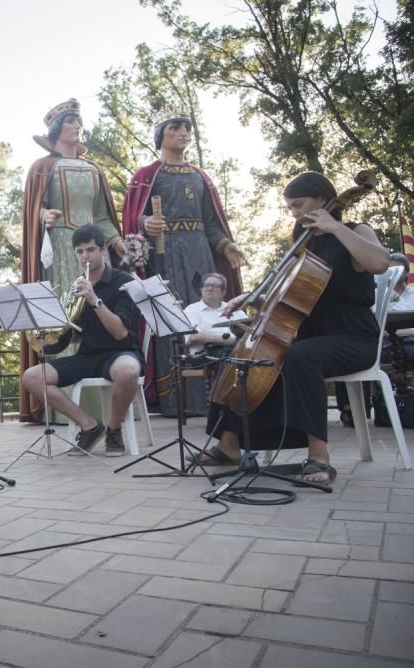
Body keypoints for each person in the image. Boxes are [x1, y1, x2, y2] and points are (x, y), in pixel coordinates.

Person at [200, 171, 389, 484]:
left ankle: (319, 457)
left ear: (323, 200)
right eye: (291, 208)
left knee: (300, 357)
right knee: (244, 355)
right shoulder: (306, 244)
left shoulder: (355, 231)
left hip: (353, 337)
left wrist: (336, 227)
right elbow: (288, 294)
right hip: (311, 337)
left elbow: (380, 263)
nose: (295, 213)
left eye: (299, 204)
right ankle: (229, 445)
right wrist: (253, 298)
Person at [123, 112, 245, 417]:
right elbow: (133, 216)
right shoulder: (147, 175)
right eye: (175, 128)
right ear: (161, 135)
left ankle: (212, 397)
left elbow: (211, 222)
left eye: (186, 129)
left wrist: (226, 245)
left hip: (201, 252)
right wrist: (146, 222)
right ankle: (173, 400)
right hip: (165, 254)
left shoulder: (200, 176)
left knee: (207, 316)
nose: (183, 133)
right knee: (171, 318)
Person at [19, 98, 124, 423]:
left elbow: (103, 217)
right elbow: (30, 211)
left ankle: (102, 401)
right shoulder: (42, 166)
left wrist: (119, 241)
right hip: (61, 250)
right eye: (69, 121)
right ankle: (65, 407)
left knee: (96, 312)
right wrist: (42, 214)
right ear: (56, 128)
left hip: (93, 252)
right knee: (65, 317)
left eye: (78, 120)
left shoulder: (95, 170)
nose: (77, 125)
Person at [20, 225, 144, 457]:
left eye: (90, 250)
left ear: (103, 250)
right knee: (32, 377)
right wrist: (53, 329)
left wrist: (95, 300)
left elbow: (120, 333)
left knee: (127, 371)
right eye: (79, 252)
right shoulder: (75, 287)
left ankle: (114, 430)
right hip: (88, 356)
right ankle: (89, 426)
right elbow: (74, 336)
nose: (85, 256)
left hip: (121, 352)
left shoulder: (124, 281)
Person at [181, 273, 247, 414]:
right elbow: (193, 337)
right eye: (206, 285)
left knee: (251, 361)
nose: (209, 288)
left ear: (223, 292)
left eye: (214, 286)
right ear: (201, 289)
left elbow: (249, 331)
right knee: (228, 360)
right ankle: (223, 409)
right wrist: (228, 339)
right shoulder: (192, 310)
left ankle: (244, 405)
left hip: (236, 350)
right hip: (204, 354)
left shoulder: (235, 310)